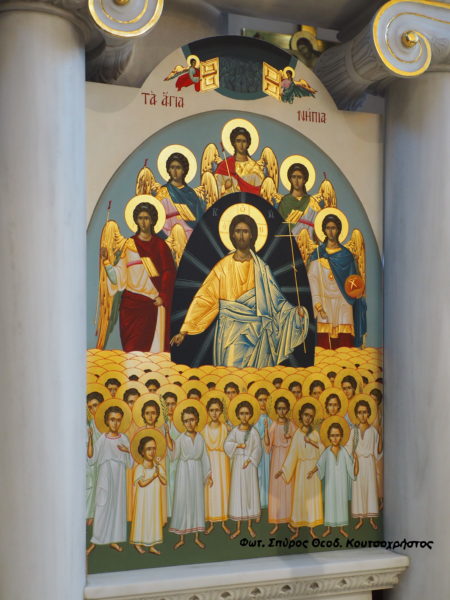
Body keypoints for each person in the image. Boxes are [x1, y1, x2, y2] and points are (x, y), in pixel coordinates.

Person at [171, 215, 309, 367]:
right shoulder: (223, 266)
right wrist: (184, 331)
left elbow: (276, 301)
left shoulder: (261, 268)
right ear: (232, 235)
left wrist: (295, 313)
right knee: (232, 372)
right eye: (238, 231)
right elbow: (205, 298)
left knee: (257, 376)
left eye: (245, 231)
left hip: (258, 332)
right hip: (231, 331)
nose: (241, 235)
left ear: (252, 235)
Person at [101, 201, 176, 352]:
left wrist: (163, 296)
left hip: (153, 305)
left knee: (153, 355)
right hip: (131, 306)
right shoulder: (129, 245)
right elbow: (118, 277)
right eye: (140, 218)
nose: (143, 222)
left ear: (152, 220)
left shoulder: (160, 246)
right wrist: (107, 262)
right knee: (132, 352)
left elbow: (169, 273)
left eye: (146, 218)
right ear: (136, 220)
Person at [307, 213, 367, 349]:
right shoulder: (318, 254)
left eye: (333, 228)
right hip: (324, 301)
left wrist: (357, 292)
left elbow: (354, 280)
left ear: (339, 229)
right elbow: (312, 280)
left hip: (343, 300)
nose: (331, 231)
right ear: (324, 230)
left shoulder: (346, 255)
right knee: (323, 340)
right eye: (328, 228)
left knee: (345, 338)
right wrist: (318, 305)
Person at [86, 406, 132, 555]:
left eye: (118, 420)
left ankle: (114, 540)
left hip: (119, 477)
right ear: (106, 420)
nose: (115, 423)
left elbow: (131, 462)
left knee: (117, 507)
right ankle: (95, 541)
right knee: (102, 506)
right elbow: (92, 458)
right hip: (105, 476)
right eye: (112, 419)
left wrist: (127, 451)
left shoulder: (124, 438)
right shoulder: (103, 439)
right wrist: (90, 439)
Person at [276, 403, 323, 539]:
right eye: (306, 415)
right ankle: (297, 530)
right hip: (302, 469)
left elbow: (322, 451)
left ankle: (311, 529)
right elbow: (293, 453)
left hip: (313, 470)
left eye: (311, 416)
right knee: (300, 498)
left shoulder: (315, 434)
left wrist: (311, 442)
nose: (308, 418)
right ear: (301, 415)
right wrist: (284, 470)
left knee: (311, 499)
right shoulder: (297, 434)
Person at [169, 406, 212, 549]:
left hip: (197, 472)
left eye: (192, 420)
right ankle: (181, 537)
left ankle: (196, 537)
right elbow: (174, 456)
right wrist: (169, 441)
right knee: (183, 501)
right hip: (184, 472)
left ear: (197, 420)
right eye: (186, 421)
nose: (189, 423)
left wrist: (208, 474)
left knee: (196, 502)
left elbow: (204, 457)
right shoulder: (180, 439)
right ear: (183, 422)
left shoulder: (200, 438)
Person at [307, 422, 357, 538]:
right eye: (332, 435)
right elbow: (320, 464)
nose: (335, 438)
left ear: (341, 436)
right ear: (329, 437)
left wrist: (357, 461)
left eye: (337, 435)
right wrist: (312, 471)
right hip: (330, 484)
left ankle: (341, 528)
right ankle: (328, 528)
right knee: (330, 503)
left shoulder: (344, 451)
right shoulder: (327, 451)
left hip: (341, 483)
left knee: (341, 503)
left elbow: (350, 466)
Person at [156, 152, 206, 264]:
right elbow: (157, 220)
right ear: (168, 170)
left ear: (184, 170)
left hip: (190, 235)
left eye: (178, 168)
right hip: (168, 235)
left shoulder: (191, 194)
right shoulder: (162, 193)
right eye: (172, 167)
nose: (175, 171)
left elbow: (199, 219)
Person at [225, 400, 262, 539]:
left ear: (251, 414)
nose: (244, 416)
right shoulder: (235, 431)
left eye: (247, 413)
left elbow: (258, 448)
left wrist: (250, 459)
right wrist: (238, 445)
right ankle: (238, 528)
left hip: (249, 465)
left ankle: (249, 526)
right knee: (238, 493)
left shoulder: (254, 432)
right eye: (241, 413)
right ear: (237, 415)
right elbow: (227, 444)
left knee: (249, 494)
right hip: (238, 465)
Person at [347, 400, 382, 530]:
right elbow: (349, 448)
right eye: (360, 412)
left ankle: (371, 519)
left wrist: (381, 435)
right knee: (358, 490)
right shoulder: (353, 431)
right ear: (356, 414)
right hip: (358, 463)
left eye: (365, 412)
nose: (362, 415)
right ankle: (360, 519)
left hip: (369, 463)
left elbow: (377, 452)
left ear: (369, 413)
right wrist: (352, 455)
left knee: (370, 489)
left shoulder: (373, 431)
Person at [264, 397, 296, 534]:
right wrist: (266, 429)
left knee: (289, 489)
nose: (281, 411)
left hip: (289, 458)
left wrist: (291, 438)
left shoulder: (292, 424)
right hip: (276, 458)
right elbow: (267, 443)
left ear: (287, 409)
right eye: (279, 408)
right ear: (276, 410)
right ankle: (276, 522)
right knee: (276, 490)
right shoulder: (274, 425)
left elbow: (298, 441)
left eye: (284, 408)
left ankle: (289, 521)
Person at [130, 436, 166, 554]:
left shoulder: (157, 467)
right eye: (148, 449)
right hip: (143, 500)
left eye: (154, 448)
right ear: (142, 451)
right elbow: (142, 483)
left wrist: (158, 471)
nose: (152, 452)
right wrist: (153, 477)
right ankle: (138, 544)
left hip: (154, 499)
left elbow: (165, 481)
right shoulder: (140, 468)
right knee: (142, 518)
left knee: (153, 519)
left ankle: (152, 545)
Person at [202, 398, 231, 535]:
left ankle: (224, 521)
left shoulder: (226, 428)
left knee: (223, 490)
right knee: (211, 491)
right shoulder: (204, 430)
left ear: (221, 411)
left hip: (222, 463)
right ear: (208, 412)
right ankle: (212, 523)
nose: (214, 413)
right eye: (211, 410)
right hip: (210, 462)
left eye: (217, 410)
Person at [214, 127, 265, 197]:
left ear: (247, 144)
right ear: (234, 143)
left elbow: (261, 191)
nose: (241, 145)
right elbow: (215, 190)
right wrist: (224, 187)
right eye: (238, 141)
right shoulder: (225, 166)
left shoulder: (255, 168)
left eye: (244, 141)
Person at [278, 163, 321, 238]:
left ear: (304, 180)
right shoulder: (284, 202)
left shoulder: (311, 202)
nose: (296, 181)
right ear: (290, 179)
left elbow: (318, 224)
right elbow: (279, 225)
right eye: (294, 177)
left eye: (299, 177)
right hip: (289, 240)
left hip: (308, 240)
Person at [86, 392, 103, 526]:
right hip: (93, 464)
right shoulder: (89, 426)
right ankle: (90, 516)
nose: (93, 409)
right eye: (90, 407)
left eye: (95, 405)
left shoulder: (108, 423)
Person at [253, 388, 272, 509]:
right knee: (258, 475)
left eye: (265, 399)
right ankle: (257, 503)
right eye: (260, 400)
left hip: (268, 451)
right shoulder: (253, 419)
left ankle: (267, 502)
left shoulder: (271, 419)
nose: (263, 402)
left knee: (267, 474)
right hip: (257, 450)